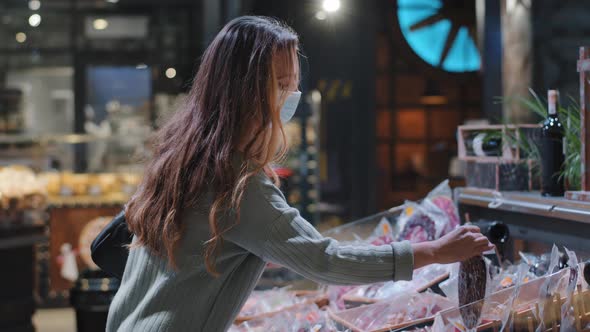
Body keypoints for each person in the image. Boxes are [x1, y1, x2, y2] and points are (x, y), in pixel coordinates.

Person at [106, 16, 493, 332]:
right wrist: (436, 251)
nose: (290, 97)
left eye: (293, 85)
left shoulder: (182, 157)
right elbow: (327, 261)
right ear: (245, 91)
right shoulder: (237, 186)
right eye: (280, 85)